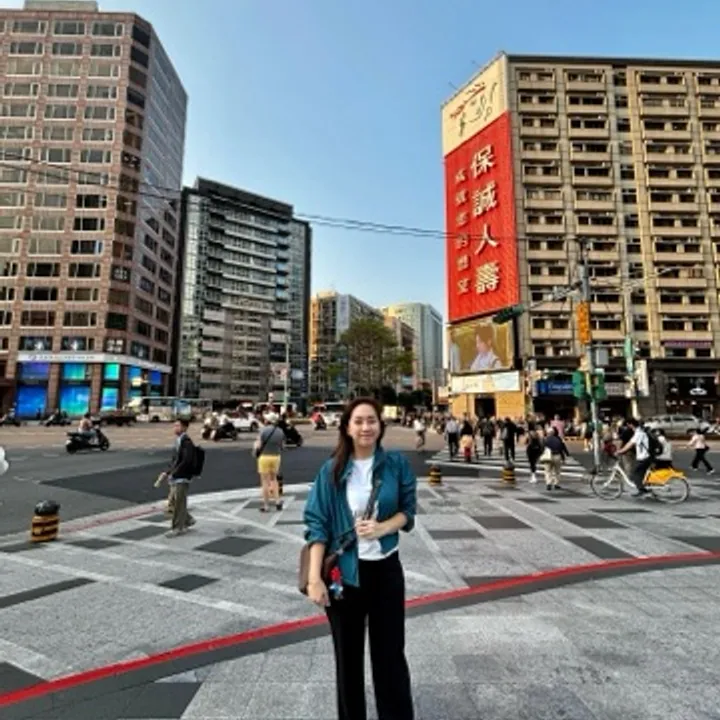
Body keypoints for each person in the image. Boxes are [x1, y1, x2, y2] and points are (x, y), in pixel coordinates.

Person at [303, 397, 416, 720]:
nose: (366, 427)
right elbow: (317, 525)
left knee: (390, 655)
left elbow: (408, 511)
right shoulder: (332, 470)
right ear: (347, 428)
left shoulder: (396, 464)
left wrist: (383, 528)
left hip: (386, 571)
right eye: (359, 421)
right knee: (348, 658)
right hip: (344, 575)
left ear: (380, 426)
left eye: (371, 421)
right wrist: (314, 579)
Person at [156, 418, 196, 537]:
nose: (175, 428)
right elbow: (174, 460)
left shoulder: (187, 442)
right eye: (174, 426)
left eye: (178, 426)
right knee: (173, 503)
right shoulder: (178, 441)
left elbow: (186, 461)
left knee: (178, 503)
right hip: (176, 476)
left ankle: (177, 528)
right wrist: (167, 472)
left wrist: (174, 473)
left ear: (184, 428)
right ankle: (188, 520)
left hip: (182, 477)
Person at [254, 412, 285, 512]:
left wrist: (255, 448)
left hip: (264, 457)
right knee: (274, 480)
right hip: (276, 457)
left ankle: (266, 505)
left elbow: (258, 445)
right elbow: (282, 446)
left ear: (268, 421)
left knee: (265, 482)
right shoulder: (280, 431)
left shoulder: (263, 430)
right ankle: (277, 502)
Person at [617, 418, 652, 496]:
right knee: (641, 474)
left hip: (644, 457)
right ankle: (643, 489)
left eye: (628, 425)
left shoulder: (639, 433)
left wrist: (620, 451)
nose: (627, 427)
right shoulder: (638, 432)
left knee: (635, 474)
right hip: (644, 457)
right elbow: (630, 442)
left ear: (631, 425)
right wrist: (621, 450)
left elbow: (630, 444)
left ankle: (642, 490)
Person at [541, 426, 569, 491]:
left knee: (548, 471)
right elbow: (562, 448)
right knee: (557, 471)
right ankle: (556, 484)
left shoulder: (545, 439)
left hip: (548, 456)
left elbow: (542, 448)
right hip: (557, 455)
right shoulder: (559, 439)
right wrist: (564, 457)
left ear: (548, 433)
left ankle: (548, 483)